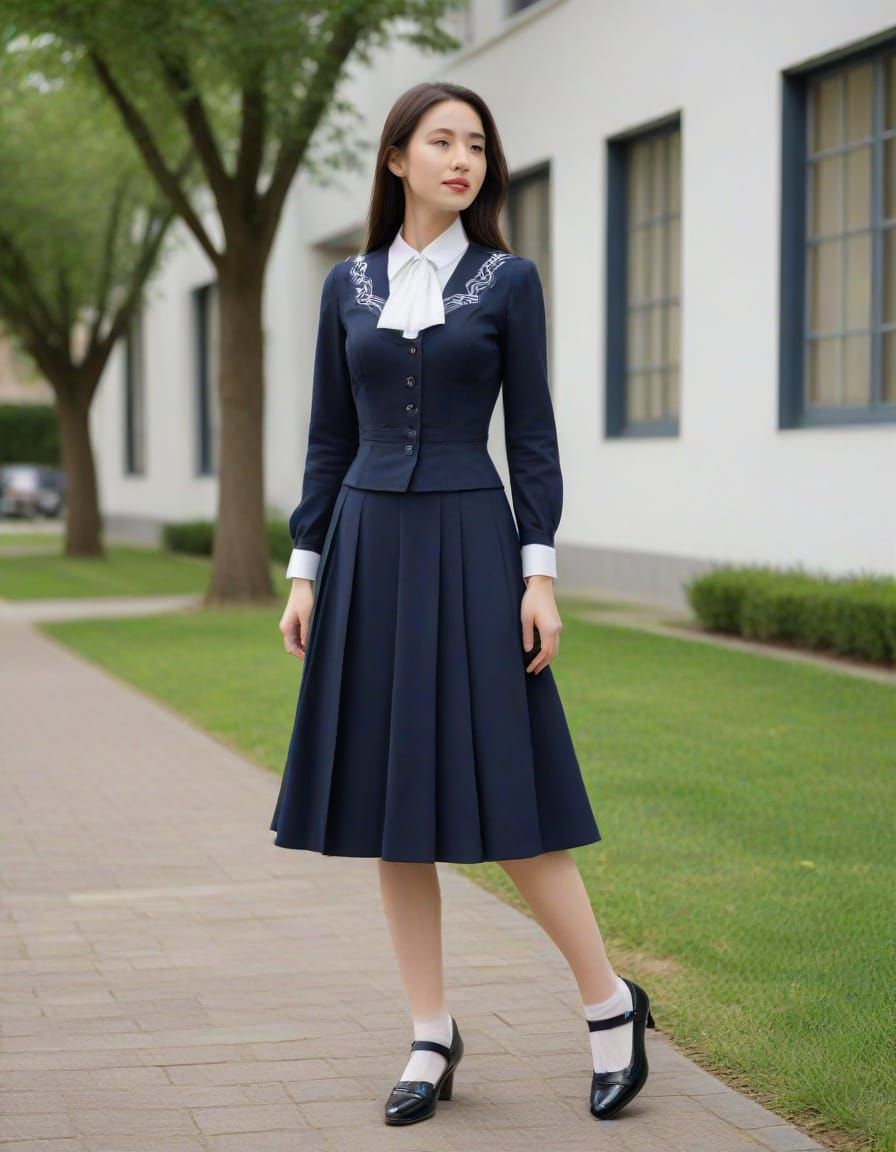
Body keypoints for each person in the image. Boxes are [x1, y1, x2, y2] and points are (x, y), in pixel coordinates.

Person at [272, 80, 655, 1126]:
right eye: (440, 141)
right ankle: (430, 1034)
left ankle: (608, 1007)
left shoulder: (505, 281)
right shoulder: (345, 285)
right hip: (365, 549)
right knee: (395, 818)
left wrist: (538, 574)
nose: (461, 159)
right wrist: (305, 569)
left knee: (512, 797)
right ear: (395, 158)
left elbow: (529, 436)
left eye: (475, 145)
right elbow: (326, 437)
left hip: (470, 542)